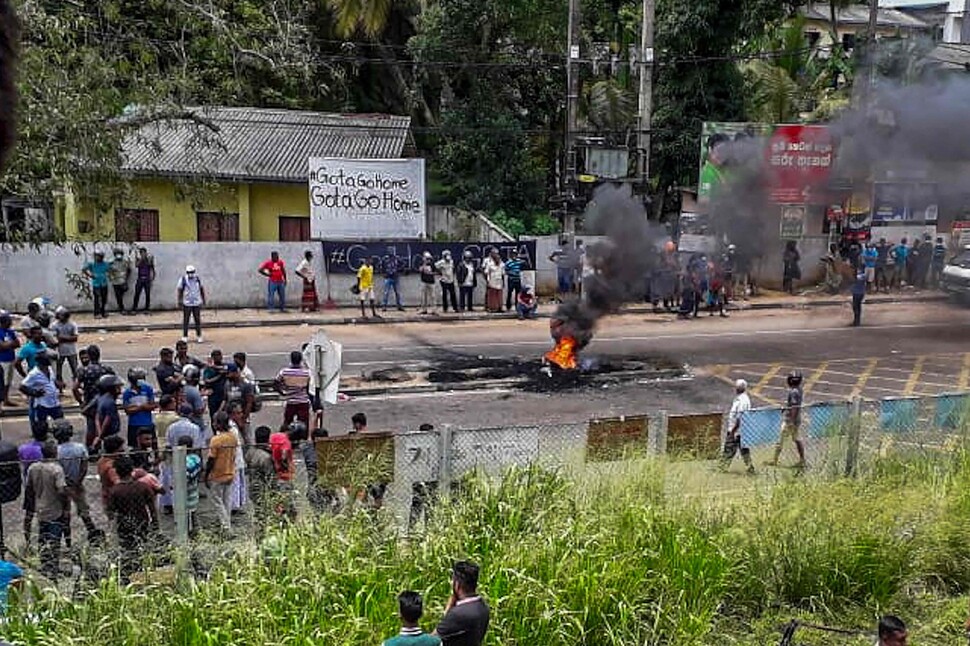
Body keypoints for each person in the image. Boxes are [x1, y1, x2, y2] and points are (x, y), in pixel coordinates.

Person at [107, 454, 159, 582]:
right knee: (144, 548)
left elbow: (111, 513)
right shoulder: (143, 487)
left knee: (128, 550)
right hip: (143, 523)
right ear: (132, 470)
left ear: (117, 472)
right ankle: (145, 573)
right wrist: (155, 523)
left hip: (124, 526)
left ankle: (130, 575)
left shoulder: (115, 491)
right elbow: (152, 507)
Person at [52, 420, 103, 546]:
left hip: (63, 485)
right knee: (84, 511)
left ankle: (68, 541)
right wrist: (78, 481)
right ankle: (93, 533)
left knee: (65, 514)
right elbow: (84, 467)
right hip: (77, 484)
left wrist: (66, 483)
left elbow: (56, 470)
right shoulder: (80, 448)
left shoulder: (56, 451)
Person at [24, 441, 67, 579]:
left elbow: (29, 488)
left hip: (40, 508)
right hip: (54, 509)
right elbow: (61, 490)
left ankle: (44, 565)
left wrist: (30, 507)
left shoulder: (33, 467)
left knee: (42, 538)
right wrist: (65, 507)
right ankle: (53, 568)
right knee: (54, 540)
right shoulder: (56, 469)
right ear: (54, 452)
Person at [434, 560, 490, 646]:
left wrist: (448, 611)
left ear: (457, 584)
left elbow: (432, 641)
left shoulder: (458, 614)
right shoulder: (483, 606)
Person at [73, 344, 114, 449]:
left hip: (90, 403)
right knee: (106, 427)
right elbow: (115, 383)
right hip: (105, 402)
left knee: (91, 428)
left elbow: (75, 388)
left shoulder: (83, 370)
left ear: (89, 356)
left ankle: (90, 449)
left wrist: (81, 402)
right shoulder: (106, 369)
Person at [205, 411, 237, 532]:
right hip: (230, 472)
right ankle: (226, 524)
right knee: (226, 501)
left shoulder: (216, 440)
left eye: (214, 422)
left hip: (217, 474)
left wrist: (207, 474)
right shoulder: (232, 437)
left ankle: (226, 526)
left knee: (218, 502)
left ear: (218, 424)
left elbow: (211, 459)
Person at [770, 370, 806, 469]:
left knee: (780, 440)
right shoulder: (799, 389)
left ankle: (774, 460)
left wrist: (791, 421)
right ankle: (802, 460)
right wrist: (786, 408)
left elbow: (794, 407)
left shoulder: (793, 392)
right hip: (796, 419)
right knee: (797, 439)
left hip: (790, 420)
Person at [20, 351, 62, 428]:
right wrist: (34, 393)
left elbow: (52, 380)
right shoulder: (34, 374)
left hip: (54, 402)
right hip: (42, 405)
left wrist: (57, 384)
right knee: (41, 426)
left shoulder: (49, 368)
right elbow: (22, 387)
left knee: (61, 424)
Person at [720, 379, 753, 474]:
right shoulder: (740, 398)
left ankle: (722, 467)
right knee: (744, 450)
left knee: (729, 449)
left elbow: (740, 418)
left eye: (736, 387)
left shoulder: (742, 401)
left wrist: (733, 431)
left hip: (737, 430)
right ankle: (750, 468)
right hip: (739, 430)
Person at [246, 425, 277, 524]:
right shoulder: (266, 457)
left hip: (252, 486)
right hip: (263, 489)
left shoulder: (250, 452)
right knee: (265, 513)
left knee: (258, 511)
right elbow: (270, 477)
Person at [176, 435, 203, 537]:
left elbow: (184, 478)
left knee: (186, 518)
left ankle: (189, 535)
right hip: (194, 492)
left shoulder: (183, 461)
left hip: (185, 494)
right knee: (193, 515)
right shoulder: (196, 458)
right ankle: (195, 533)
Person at [123, 367, 156, 449]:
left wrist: (136, 408)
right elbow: (127, 410)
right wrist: (142, 407)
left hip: (147, 423)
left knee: (153, 444)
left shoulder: (148, 389)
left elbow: (152, 406)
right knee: (135, 447)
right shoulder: (127, 393)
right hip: (134, 425)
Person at [276, 350, 311, 426]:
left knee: (287, 422)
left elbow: (276, 383)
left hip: (290, 401)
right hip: (303, 401)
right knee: (304, 423)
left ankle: (286, 436)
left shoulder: (284, 372)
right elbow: (310, 386)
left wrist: (282, 392)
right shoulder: (307, 373)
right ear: (301, 360)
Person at [93, 373, 124, 452]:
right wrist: (100, 436)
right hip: (111, 434)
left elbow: (97, 417)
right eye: (117, 387)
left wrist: (99, 434)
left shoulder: (101, 398)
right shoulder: (110, 402)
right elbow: (107, 420)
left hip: (104, 435)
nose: (120, 390)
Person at [177, 265, 206, 344]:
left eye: (192, 272)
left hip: (196, 302)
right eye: (189, 272)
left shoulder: (198, 279)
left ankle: (199, 336)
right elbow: (179, 290)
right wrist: (179, 300)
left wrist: (203, 300)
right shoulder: (183, 279)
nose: (191, 274)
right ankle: (185, 336)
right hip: (187, 303)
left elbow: (201, 289)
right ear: (187, 272)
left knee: (197, 320)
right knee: (186, 320)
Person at [51, 307, 78, 387]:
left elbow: (75, 338)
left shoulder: (72, 324)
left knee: (75, 369)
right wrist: (68, 338)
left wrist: (61, 338)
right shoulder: (54, 325)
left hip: (71, 351)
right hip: (59, 351)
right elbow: (55, 339)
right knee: (58, 370)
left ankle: (76, 384)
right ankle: (60, 386)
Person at [96, 435, 125, 511]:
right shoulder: (111, 466)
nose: (123, 451)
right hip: (114, 498)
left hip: (106, 494)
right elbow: (117, 483)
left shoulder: (101, 460)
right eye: (121, 449)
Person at [180, 365, 207, 438]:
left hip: (183, 421)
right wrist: (204, 400)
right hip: (196, 423)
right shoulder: (194, 391)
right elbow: (199, 410)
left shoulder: (182, 389)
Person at [203, 349, 229, 422]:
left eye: (219, 355)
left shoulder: (225, 366)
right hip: (213, 396)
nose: (218, 357)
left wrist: (214, 367)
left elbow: (227, 370)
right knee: (214, 416)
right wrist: (219, 376)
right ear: (212, 357)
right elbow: (207, 381)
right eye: (215, 356)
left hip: (224, 396)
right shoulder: (208, 369)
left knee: (225, 416)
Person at [0, 310, 19, 405]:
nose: (10, 322)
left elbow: (17, 343)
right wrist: (10, 344)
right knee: (2, 381)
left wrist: (8, 344)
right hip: (2, 360)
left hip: (10, 358)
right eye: (9, 320)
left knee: (8, 381)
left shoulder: (10, 332)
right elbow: (1, 346)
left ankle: (6, 398)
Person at [83, 251, 110, 318]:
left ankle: (103, 312)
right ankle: (96, 313)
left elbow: (110, 270)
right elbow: (84, 269)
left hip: (104, 283)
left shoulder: (105, 264)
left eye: (99, 256)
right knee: (97, 299)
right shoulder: (92, 264)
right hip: (96, 284)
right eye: (96, 256)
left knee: (104, 298)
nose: (97, 257)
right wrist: (90, 275)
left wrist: (108, 275)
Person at [549, 238, 575, 302]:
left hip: (567, 269)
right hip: (560, 268)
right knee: (561, 282)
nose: (567, 246)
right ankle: (562, 297)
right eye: (566, 245)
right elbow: (550, 257)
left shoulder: (570, 252)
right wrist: (556, 262)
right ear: (563, 245)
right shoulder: (558, 251)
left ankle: (566, 297)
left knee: (567, 283)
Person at [131, 246, 155, 313]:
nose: (143, 254)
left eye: (144, 252)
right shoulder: (139, 260)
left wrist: (152, 278)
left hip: (147, 279)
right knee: (137, 294)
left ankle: (147, 309)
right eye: (142, 253)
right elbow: (137, 265)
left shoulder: (149, 260)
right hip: (140, 278)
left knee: (147, 294)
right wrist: (142, 259)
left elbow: (152, 268)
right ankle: (134, 308)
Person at [108, 248, 131, 314]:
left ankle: (121, 308)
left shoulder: (125, 262)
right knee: (118, 296)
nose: (119, 255)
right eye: (117, 254)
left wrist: (126, 278)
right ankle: (121, 309)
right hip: (115, 282)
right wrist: (110, 277)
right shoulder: (111, 262)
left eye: (120, 254)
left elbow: (129, 270)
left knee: (122, 293)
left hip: (123, 281)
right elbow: (108, 271)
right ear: (114, 254)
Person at [482, 249, 505, 314]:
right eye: (496, 257)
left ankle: (499, 307)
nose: (497, 259)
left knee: (499, 295)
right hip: (492, 281)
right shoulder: (489, 263)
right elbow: (486, 273)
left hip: (499, 281)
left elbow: (503, 274)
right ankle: (491, 308)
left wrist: (503, 282)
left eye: (498, 258)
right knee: (491, 296)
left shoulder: (502, 264)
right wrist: (487, 281)